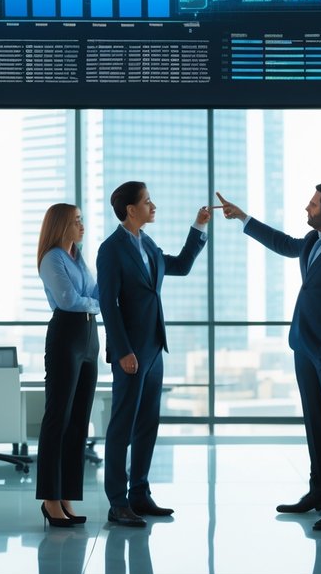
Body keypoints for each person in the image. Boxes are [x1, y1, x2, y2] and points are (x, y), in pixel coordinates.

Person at [216, 185, 321, 531]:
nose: (308, 206)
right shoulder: (312, 241)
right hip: (304, 346)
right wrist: (243, 217)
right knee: (316, 424)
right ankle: (318, 492)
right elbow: (283, 243)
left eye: (314, 203)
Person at [97, 181, 209, 527]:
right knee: (122, 426)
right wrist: (122, 351)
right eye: (147, 201)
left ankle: (140, 494)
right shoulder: (111, 249)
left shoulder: (147, 244)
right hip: (131, 351)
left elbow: (182, 265)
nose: (153, 205)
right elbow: (108, 304)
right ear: (130, 210)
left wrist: (199, 226)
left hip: (154, 347)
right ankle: (118, 501)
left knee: (147, 424)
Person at [35, 203, 100, 528]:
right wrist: (97, 303)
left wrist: (95, 302)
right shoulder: (52, 258)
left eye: (81, 220)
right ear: (61, 225)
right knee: (58, 417)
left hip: (89, 335)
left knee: (79, 420)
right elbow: (68, 300)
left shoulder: (77, 258)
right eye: (75, 221)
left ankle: (67, 494)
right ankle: (50, 498)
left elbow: (91, 292)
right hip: (66, 334)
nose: (82, 225)